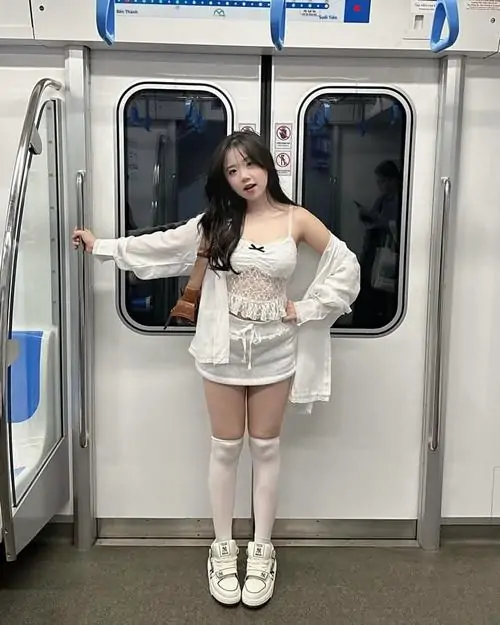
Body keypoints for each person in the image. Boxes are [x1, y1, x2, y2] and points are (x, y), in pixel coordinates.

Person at [73, 130, 360, 608]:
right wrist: (101, 246)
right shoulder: (215, 223)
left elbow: (345, 266)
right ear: (223, 179)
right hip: (221, 350)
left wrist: (307, 308)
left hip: (275, 352)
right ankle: (223, 549)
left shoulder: (297, 218)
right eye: (232, 170)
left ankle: (262, 549)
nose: (244, 176)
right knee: (225, 449)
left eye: (250, 164)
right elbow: (162, 247)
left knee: (265, 449)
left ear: (267, 166)